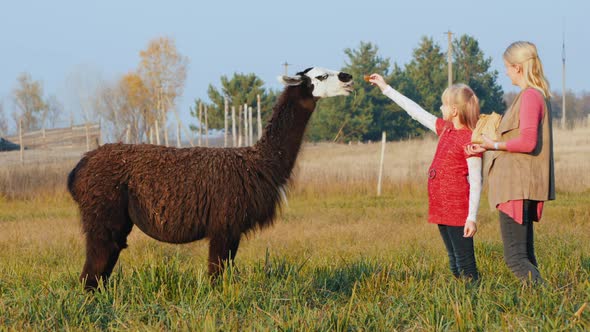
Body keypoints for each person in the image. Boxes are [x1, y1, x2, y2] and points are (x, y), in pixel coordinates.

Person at [369, 74, 482, 281]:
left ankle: (476, 300)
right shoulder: (446, 129)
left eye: (443, 105)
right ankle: (462, 301)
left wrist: (471, 218)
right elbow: (416, 112)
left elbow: (476, 181)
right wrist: (386, 89)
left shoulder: (470, 139)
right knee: (454, 262)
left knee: (466, 264)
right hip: (441, 207)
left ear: (454, 111)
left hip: (458, 210)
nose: (441, 109)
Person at [466, 41, 555, 283]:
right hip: (521, 184)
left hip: (516, 186)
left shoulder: (529, 97)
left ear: (517, 67)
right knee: (525, 255)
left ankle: (550, 302)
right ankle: (541, 308)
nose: (505, 72)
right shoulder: (534, 96)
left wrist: (493, 145)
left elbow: (527, 142)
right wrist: (487, 143)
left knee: (515, 258)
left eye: (506, 67)